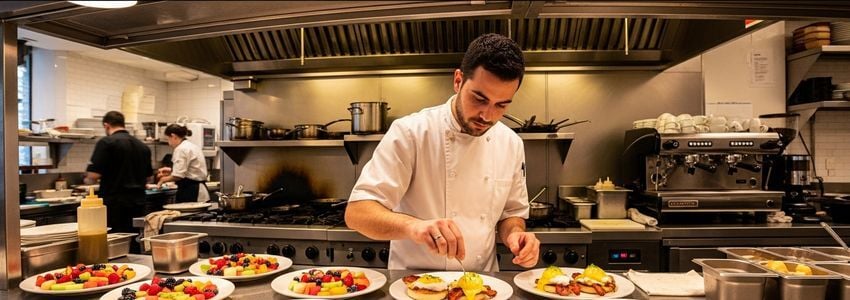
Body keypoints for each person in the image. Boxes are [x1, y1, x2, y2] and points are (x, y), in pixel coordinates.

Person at [345, 33, 540, 272]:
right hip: (414, 283)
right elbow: (357, 213)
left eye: (502, 105)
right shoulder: (411, 132)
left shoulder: (511, 143)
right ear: (458, 81)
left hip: (482, 284)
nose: (487, 115)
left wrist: (516, 234)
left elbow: (511, 213)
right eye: (479, 98)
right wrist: (413, 227)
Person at [84, 111, 153, 240]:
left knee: (116, 240)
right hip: (138, 202)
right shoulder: (143, 146)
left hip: (114, 204)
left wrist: (87, 180)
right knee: (136, 239)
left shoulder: (106, 143)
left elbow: (93, 175)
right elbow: (149, 177)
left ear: (106, 125)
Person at [157, 124, 209, 203]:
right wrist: (171, 170)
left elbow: (178, 176)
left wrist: (162, 180)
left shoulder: (181, 149)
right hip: (200, 190)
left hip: (191, 192)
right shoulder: (192, 146)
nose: (169, 143)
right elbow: (189, 169)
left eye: (168, 139)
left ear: (173, 136)